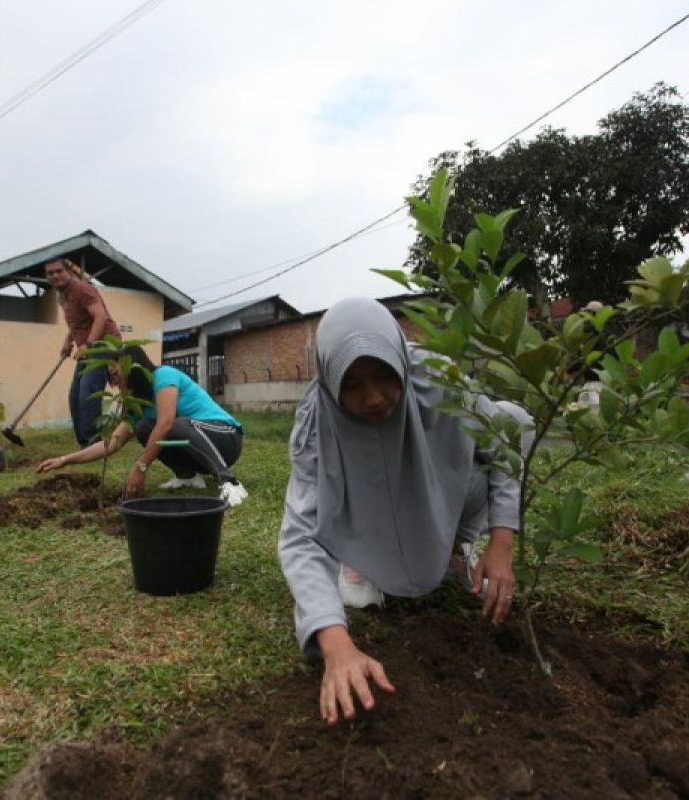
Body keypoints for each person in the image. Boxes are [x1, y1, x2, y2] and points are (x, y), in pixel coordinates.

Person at [278, 297, 533, 726]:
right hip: (368, 511)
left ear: (400, 360)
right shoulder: (315, 424)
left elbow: (503, 437)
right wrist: (336, 644)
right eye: (352, 384)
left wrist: (502, 538)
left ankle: (454, 546)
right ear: (329, 381)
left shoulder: (438, 379)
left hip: (436, 489)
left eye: (383, 375)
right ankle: (359, 563)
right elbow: (302, 535)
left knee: (515, 418)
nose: (374, 397)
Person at [36, 344, 249, 507]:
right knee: (144, 428)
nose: (115, 381)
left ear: (133, 367)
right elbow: (111, 444)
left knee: (173, 424)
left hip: (226, 438)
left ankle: (230, 482)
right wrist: (65, 460)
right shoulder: (137, 405)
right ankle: (188, 476)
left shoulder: (163, 376)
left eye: (117, 374)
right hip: (199, 452)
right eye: (111, 377)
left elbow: (166, 423)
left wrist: (141, 466)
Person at [45, 257, 122, 447]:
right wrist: (67, 341)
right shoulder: (62, 295)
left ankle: (94, 442)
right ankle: (84, 443)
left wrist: (88, 344)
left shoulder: (81, 288)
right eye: (50, 273)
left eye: (59, 271)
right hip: (87, 348)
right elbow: (78, 322)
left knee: (88, 391)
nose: (55, 275)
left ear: (68, 272)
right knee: (75, 394)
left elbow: (100, 317)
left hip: (103, 343)